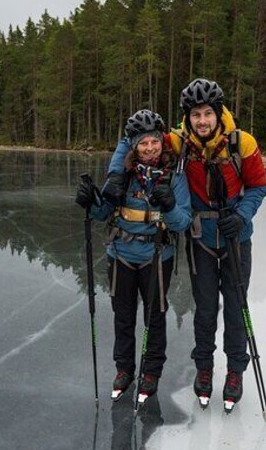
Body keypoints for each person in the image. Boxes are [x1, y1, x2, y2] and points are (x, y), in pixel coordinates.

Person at [106, 79, 266, 411]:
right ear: (188, 117)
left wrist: (242, 215)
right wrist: (113, 176)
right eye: (196, 115)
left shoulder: (243, 143)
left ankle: (235, 372)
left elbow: (258, 186)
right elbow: (135, 138)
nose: (203, 121)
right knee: (205, 310)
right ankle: (205, 370)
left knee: (237, 307)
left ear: (219, 113)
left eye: (208, 113)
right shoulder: (180, 142)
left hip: (236, 237)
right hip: (201, 238)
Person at [76, 109, 192, 404]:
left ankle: (150, 372)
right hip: (122, 256)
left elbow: (183, 223)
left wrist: (169, 205)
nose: (150, 149)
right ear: (134, 147)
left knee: (155, 317)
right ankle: (124, 369)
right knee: (123, 317)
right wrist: (90, 201)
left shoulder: (174, 176)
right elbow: (103, 212)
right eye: (143, 144)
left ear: (162, 143)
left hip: (157, 256)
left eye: (154, 142)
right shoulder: (123, 176)